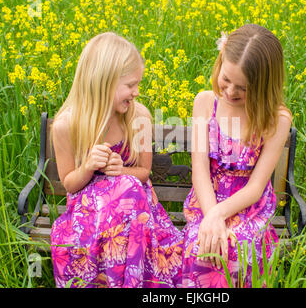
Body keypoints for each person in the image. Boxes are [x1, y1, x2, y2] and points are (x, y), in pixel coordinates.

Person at [50, 32, 183, 288]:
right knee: (126, 191)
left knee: (129, 187)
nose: (136, 92)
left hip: (136, 210)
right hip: (90, 214)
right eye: (131, 85)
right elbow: (69, 184)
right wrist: (88, 167)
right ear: (104, 82)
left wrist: (122, 170)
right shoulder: (68, 125)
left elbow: (144, 172)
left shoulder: (138, 116)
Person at [181, 24, 292, 288]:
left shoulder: (276, 119)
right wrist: (211, 217)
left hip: (247, 206)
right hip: (207, 199)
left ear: (264, 86)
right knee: (202, 248)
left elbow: (256, 187)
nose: (230, 92)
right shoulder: (205, 102)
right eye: (226, 79)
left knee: (235, 251)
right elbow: (199, 171)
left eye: (242, 88)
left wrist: (221, 214)